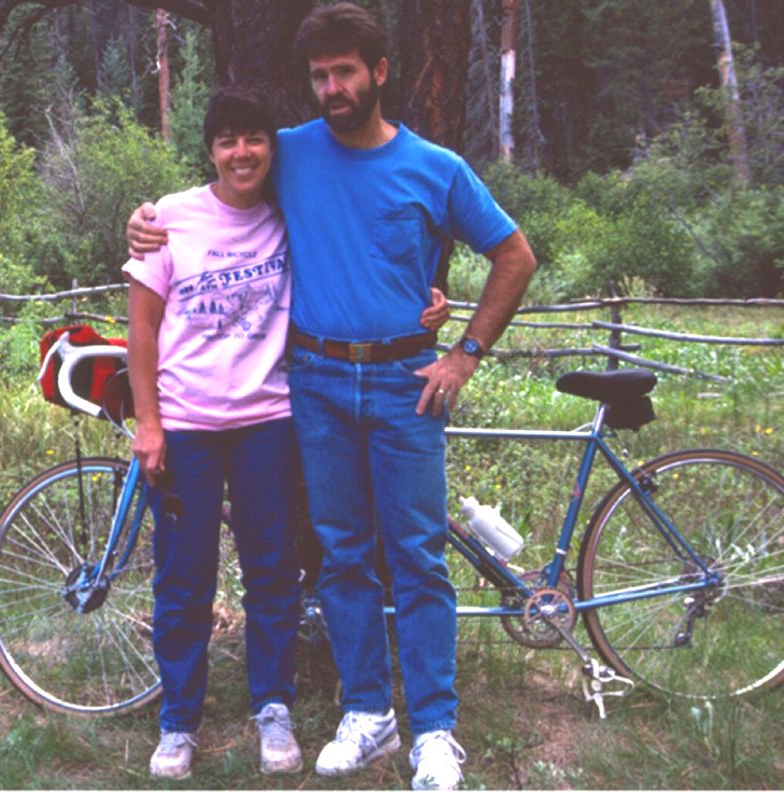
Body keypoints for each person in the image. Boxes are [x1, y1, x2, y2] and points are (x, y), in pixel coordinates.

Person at [128, 7, 535, 789]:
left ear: (379, 72)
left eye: (346, 71)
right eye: (319, 75)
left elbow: (514, 256)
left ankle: (436, 732)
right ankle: (368, 713)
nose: (332, 87)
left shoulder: (436, 166)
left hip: (404, 384)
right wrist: (143, 220)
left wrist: (465, 352)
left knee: (417, 557)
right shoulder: (292, 153)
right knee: (345, 557)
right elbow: (222, 185)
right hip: (311, 383)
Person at [124, 83, 448, 782]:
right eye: (225, 141)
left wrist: (424, 295)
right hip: (187, 426)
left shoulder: (288, 211)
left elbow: (357, 255)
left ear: (272, 147)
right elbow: (141, 327)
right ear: (209, 150)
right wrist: (148, 423)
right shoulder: (170, 218)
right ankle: (178, 721)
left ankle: (271, 706)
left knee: (272, 576)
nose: (241, 153)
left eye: (253, 139)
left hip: (269, 422)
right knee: (184, 578)